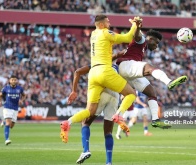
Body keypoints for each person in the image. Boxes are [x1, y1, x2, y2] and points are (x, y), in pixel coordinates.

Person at [60, 15, 143, 143]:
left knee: (90, 111)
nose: (110, 24)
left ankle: (68, 122)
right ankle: (119, 116)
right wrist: (134, 25)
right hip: (105, 71)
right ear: (102, 24)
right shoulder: (105, 32)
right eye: (108, 22)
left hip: (93, 73)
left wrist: (115, 54)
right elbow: (127, 37)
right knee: (131, 93)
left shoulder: (93, 34)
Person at [115, 29, 188, 128]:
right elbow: (137, 35)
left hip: (128, 71)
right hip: (126, 65)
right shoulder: (142, 40)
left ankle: (155, 120)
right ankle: (169, 82)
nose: (156, 46)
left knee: (151, 92)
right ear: (150, 39)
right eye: (156, 43)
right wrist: (136, 26)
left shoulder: (143, 46)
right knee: (149, 68)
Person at [67, 64, 120, 165]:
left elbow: (77, 72)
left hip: (102, 91)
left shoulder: (98, 61)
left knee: (85, 122)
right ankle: (108, 163)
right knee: (108, 132)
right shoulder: (117, 66)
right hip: (115, 94)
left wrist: (74, 91)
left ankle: (86, 150)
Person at [0, 75, 26, 145]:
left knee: (11, 126)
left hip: (15, 108)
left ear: (16, 81)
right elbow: (0, 95)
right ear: (9, 81)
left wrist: (21, 100)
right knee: (8, 123)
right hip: (7, 107)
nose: (13, 81)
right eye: (12, 80)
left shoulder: (20, 88)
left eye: (15, 80)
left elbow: (24, 95)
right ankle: (7, 139)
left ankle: (4, 122)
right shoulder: (6, 88)